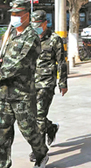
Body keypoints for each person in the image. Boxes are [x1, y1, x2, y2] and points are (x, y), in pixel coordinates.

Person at [0, 0, 49, 168]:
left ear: (26, 15)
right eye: (12, 14)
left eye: (17, 14)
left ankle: (41, 153)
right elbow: (2, 54)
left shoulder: (32, 37)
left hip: (22, 94)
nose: (14, 17)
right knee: (2, 131)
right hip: (4, 93)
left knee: (28, 130)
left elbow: (20, 63)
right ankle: (2, 163)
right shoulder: (10, 34)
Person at [27, 10, 68, 162]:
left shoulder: (55, 39)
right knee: (31, 116)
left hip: (46, 83)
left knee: (38, 116)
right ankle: (51, 128)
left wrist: (63, 82)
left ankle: (39, 150)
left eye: (38, 24)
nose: (35, 27)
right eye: (33, 24)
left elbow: (62, 62)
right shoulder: (29, 38)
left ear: (45, 23)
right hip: (29, 83)